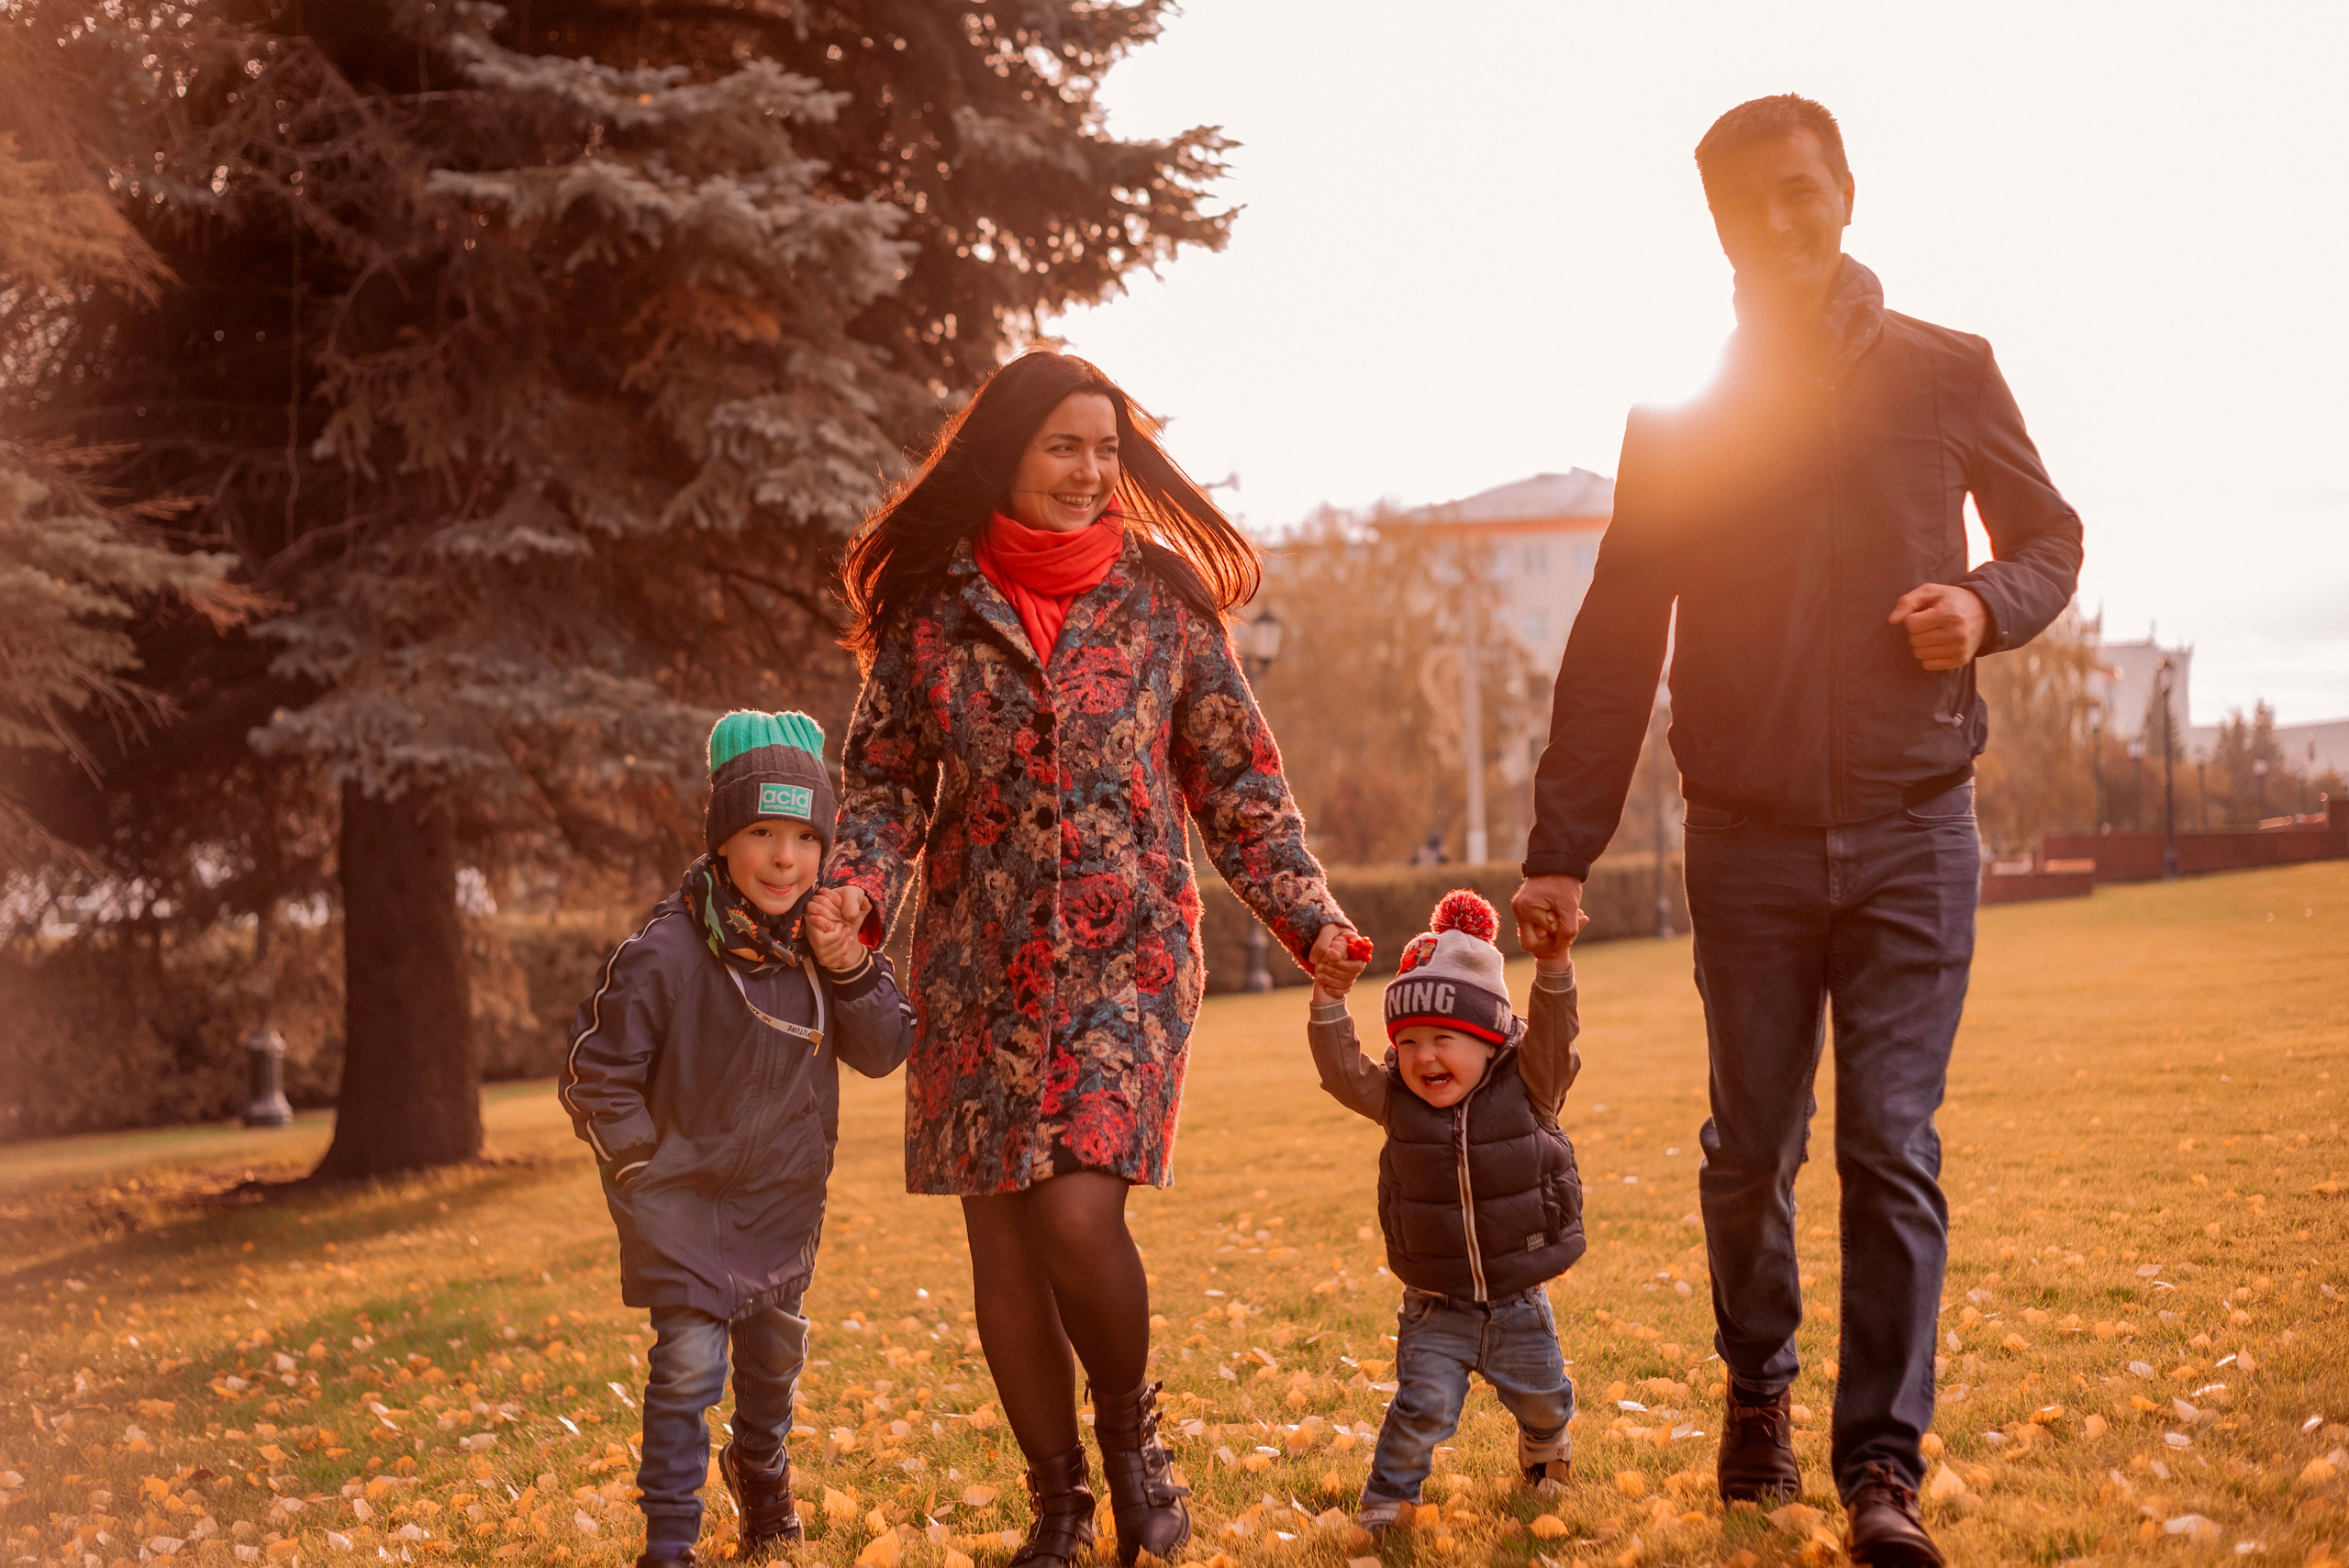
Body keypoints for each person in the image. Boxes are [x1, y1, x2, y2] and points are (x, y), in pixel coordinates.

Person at [1512, 95, 2083, 1568]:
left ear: (1845, 190)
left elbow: (2049, 540)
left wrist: (1984, 606)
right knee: (1748, 1149)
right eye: (1751, 203)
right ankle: (1757, 1386)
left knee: (1891, 1144)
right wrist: (1561, 844)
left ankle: (1880, 1465)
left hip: (1915, 829)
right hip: (1749, 842)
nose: (1783, 219)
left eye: (1804, 190)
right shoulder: (1683, 423)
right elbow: (1619, 634)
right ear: (1718, 226)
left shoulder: (1950, 372)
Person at [824, 350, 1365, 1568]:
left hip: (1128, 953)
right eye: (1065, 446)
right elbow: (885, 780)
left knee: (1075, 1211)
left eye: (1106, 449)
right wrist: (856, 892)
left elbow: (1235, 779)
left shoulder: (1161, 601)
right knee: (1003, 1234)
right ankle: (1059, 1503)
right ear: (1007, 450)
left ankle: (1135, 1454)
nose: (1088, 471)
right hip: (978, 961)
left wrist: (1309, 912)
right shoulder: (932, 609)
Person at [557, 711, 915, 1568]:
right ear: (723, 841)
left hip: (784, 1204)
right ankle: (670, 1541)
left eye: (803, 836)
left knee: (770, 1365)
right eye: (762, 832)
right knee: (684, 1371)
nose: (785, 858)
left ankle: (761, 1475)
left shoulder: (822, 946)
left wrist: (851, 966)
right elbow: (595, 1068)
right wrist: (642, 1162)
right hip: (680, 1204)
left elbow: (886, 1048)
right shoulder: (668, 952)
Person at [1304, 890, 1586, 1535]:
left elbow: (1553, 1031)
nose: (1425, 1056)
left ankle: (1545, 1445)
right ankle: (1388, 1496)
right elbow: (1344, 1071)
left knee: (1543, 1396)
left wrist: (1554, 963)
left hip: (1518, 1299)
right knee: (1422, 1404)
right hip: (1434, 1304)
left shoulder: (1531, 1082)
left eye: (1444, 1038)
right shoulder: (1396, 1098)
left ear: (1490, 1041)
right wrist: (1327, 1001)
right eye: (1409, 1041)